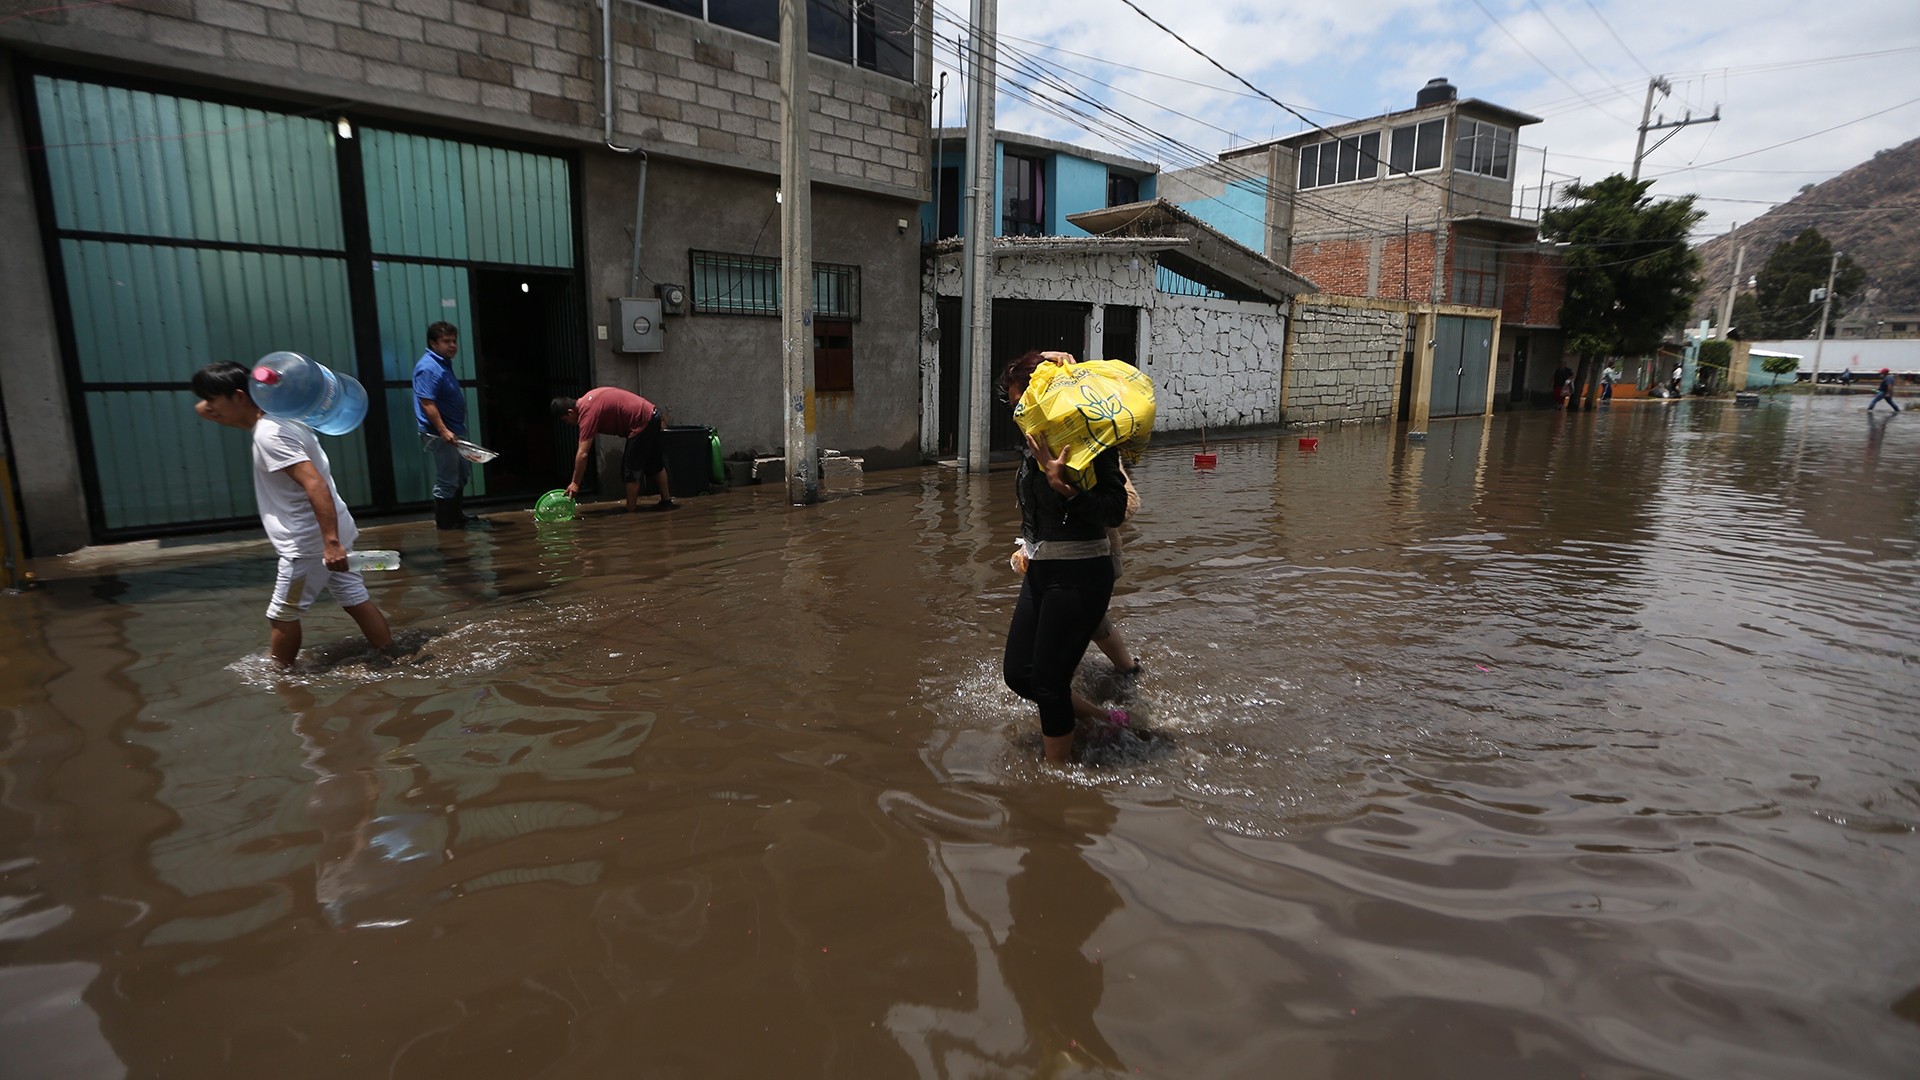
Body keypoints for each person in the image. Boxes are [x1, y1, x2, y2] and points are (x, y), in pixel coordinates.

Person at [191, 361, 396, 668]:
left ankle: (282, 679)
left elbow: (315, 485)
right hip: (330, 532)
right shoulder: (282, 418)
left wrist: (331, 544)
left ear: (238, 397)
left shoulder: (269, 434)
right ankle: (391, 655)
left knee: (282, 613)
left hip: (308, 545)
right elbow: (203, 410)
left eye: (213, 399)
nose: (208, 408)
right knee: (354, 597)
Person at [999, 350, 1131, 765]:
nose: (1018, 410)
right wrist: (1028, 545)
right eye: (1015, 404)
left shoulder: (1089, 442)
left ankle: (1056, 780)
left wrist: (1066, 488)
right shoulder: (1035, 439)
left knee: (1049, 681)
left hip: (1081, 572)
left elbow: (1115, 508)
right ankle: (1107, 719)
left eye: (1022, 401)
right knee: (1020, 675)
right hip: (1043, 567)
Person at [553, 387, 675, 511]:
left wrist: (575, 483)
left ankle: (631, 513)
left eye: (565, 420)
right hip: (652, 414)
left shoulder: (588, 413)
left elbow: (583, 453)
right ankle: (666, 501)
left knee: (630, 471)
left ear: (570, 412)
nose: (568, 423)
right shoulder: (587, 399)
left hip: (642, 421)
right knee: (654, 463)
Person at [413, 321, 482, 529]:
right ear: (433, 343)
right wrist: (443, 430)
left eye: (454, 341)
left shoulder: (442, 363)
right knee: (447, 480)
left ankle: (457, 515)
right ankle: (445, 525)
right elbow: (427, 402)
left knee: (461, 474)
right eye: (446, 341)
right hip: (440, 434)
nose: (452, 345)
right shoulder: (429, 367)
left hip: (454, 432)